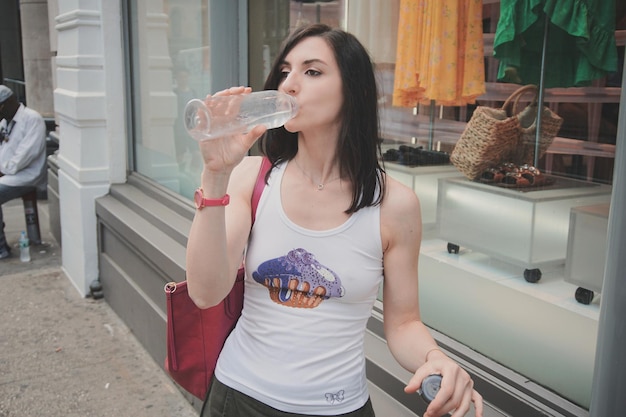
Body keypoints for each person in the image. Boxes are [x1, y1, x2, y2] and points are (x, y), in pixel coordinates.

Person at [185, 24, 483, 417]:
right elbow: (205, 293)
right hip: (239, 398)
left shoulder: (395, 205)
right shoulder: (252, 177)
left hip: (339, 407)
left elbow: (404, 323)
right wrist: (215, 175)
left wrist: (436, 358)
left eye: (312, 71)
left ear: (354, 92)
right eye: (285, 71)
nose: (289, 84)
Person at [0, 85, 47, 259]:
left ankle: (1, 249)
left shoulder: (32, 119)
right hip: (7, 173)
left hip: (26, 176)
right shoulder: (5, 121)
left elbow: (25, 155)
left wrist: (3, 170)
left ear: (8, 103)